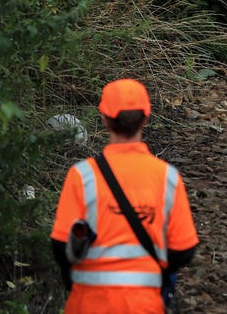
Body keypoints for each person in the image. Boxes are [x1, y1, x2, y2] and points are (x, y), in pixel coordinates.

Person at [51, 79, 199, 312]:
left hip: (88, 304)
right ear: (146, 119)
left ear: (104, 119)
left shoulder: (82, 176)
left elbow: (61, 247)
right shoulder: (168, 178)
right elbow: (184, 251)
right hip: (145, 305)